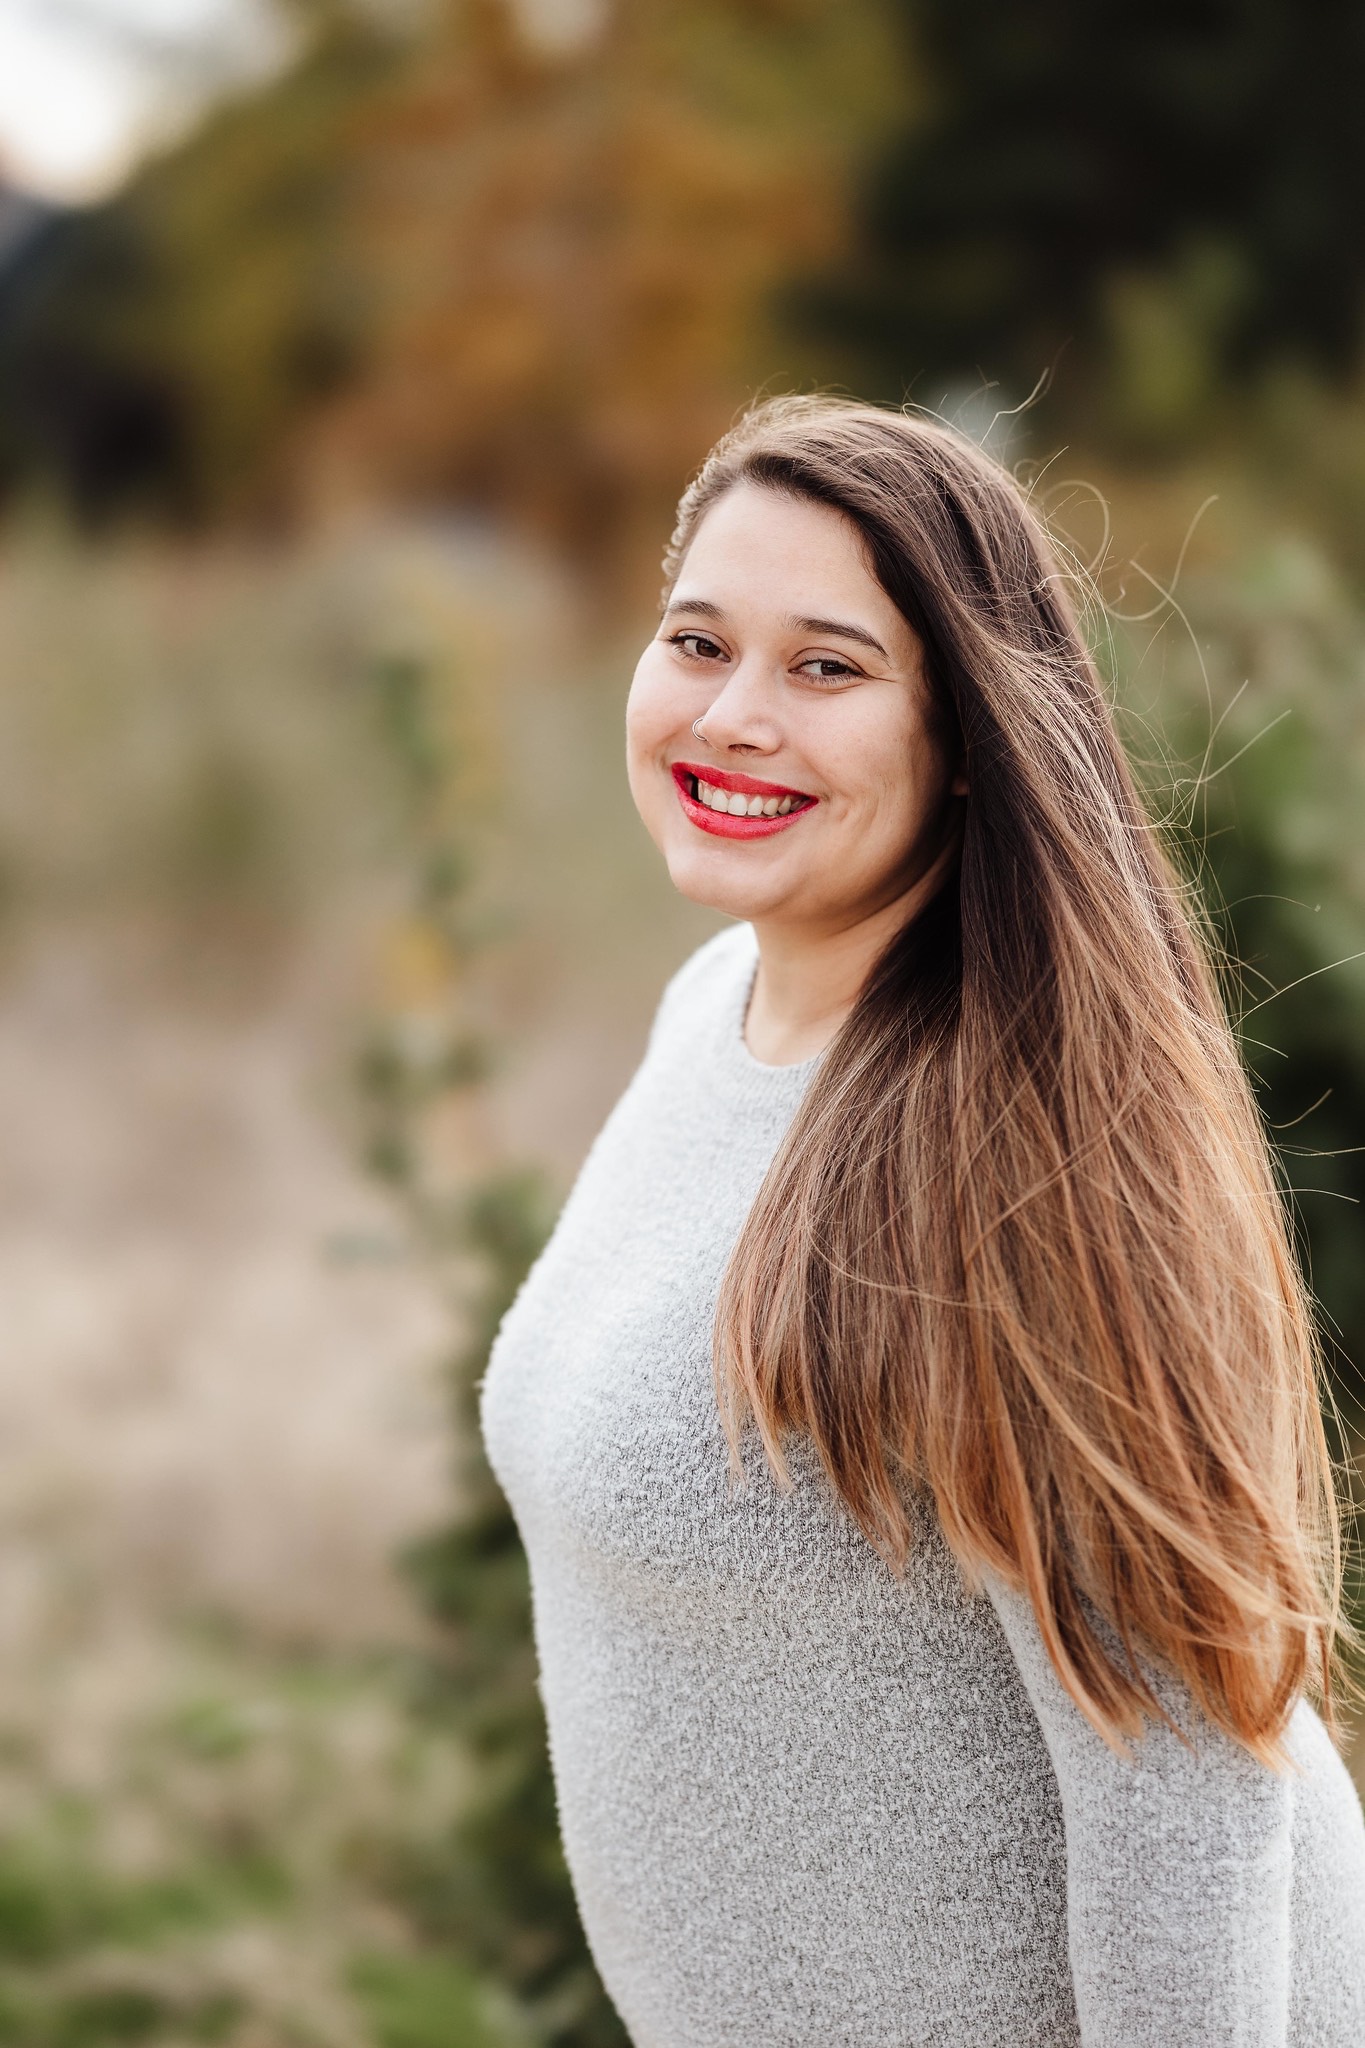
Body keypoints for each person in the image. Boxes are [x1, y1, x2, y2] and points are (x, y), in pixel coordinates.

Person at [480, 396, 1365, 2046]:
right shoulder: (713, 1011)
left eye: (827, 668)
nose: (733, 717)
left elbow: (1183, 1796)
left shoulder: (1027, 1151)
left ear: (965, 737)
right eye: (697, 641)